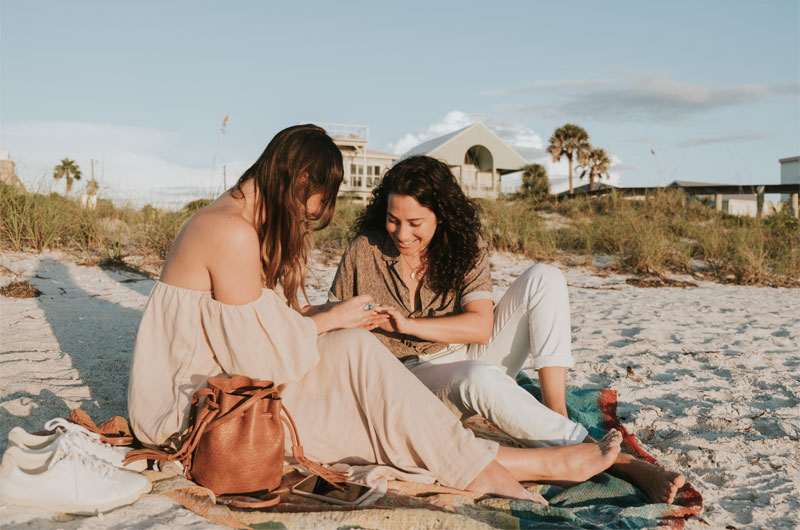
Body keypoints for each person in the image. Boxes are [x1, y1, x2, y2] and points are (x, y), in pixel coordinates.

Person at [127, 125, 625, 505]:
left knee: (358, 361)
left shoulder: (236, 220)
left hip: (224, 377)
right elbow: (260, 357)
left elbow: (255, 329)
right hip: (192, 407)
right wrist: (331, 319)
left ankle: (510, 459)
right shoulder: (233, 231)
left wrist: (326, 317)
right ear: (302, 181)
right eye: (312, 210)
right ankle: (513, 465)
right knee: (359, 383)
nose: (307, 220)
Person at [329, 155, 686, 504]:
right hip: (409, 377)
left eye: (415, 223)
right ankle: (621, 462)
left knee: (544, 278)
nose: (402, 234)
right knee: (476, 377)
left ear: (441, 216)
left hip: (467, 352)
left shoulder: (464, 245)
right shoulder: (365, 250)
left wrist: (408, 324)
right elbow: (335, 324)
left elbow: (482, 327)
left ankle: (555, 415)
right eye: (393, 220)